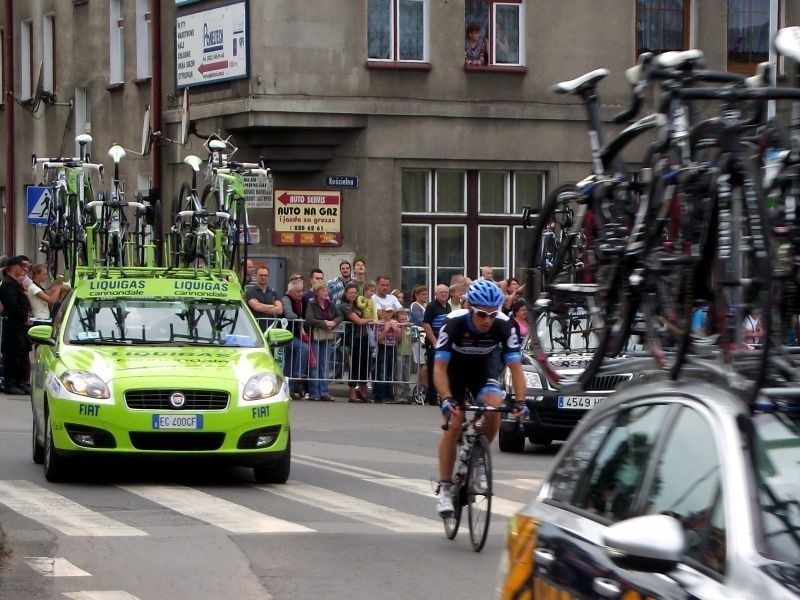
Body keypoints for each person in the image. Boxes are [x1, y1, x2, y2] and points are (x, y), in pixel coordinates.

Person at [434, 279, 527, 517]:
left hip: (485, 368)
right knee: (454, 422)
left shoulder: (505, 325)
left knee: (495, 408)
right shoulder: (452, 323)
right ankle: (445, 487)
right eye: (482, 315)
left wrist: (520, 402)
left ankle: (478, 460)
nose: (487, 320)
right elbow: (440, 368)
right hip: (455, 371)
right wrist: (446, 398)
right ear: (469, 307)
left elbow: (516, 368)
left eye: (492, 315)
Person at [0, 256, 33, 395]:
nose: (24, 269)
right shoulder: (8, 284)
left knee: (22, 354)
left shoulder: (16, 282)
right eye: (22, 266)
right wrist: (22, 316)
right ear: (13, 267)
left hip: (20, 325)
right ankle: (10, 383)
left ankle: (21, 382)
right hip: (13, 326)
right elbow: (12, 304)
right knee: (13, 355)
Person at [305, 281, 341, 401]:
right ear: (317, 292)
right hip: (316, 335)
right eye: (323, 291)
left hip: (327, 336)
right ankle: (314, 392)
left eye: (326, 291)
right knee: (315, 364)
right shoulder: (311, 304)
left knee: (325, 364)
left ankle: (324, 392)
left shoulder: (330, 303)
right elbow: (309, 318)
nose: (326, 293)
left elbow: (340, 315)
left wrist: (334, 322)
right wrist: (324, 323)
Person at [280, 274, 311, 399]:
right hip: (285, 334)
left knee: (290, 361)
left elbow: (307, 314)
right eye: (298, 291)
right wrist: (300, 319)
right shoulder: (286, 299)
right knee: (303, 348)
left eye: (302, 291)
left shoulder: (302, 301)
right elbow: (289, 314)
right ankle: (299, 373)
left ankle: (289, 389)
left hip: (296, 333)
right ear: (291, 291)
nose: (300, 294)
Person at [340, 282, 372, 402]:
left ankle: (363, 392)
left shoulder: (358, 305)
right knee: (355, 365)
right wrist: (372, 319)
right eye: (350, 293)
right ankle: (352, 393)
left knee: (366, 364)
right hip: (353, 338)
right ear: (345, 293)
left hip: (364, 336)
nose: (353, 295)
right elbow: (358, 321)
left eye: (355, 292)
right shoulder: (344, 306)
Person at [422, 284, 451, 405]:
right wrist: (434, 341)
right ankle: (432, 397)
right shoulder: (432, 306)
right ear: (436, 294)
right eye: (441, 292)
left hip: (443, 339)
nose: (444, 294)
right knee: (433, 368)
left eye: (445, 292)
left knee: (443, 368)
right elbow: (426, 324)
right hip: (434, 339)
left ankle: (440, 395)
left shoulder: (448, 306)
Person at [374, 306, 402, 402]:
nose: (388, 314)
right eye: (386, 312)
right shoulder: (379, 323)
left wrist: (395, 329)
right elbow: (379, 339)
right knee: (382, 372)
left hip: (393, 347)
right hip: (383, 347)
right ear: (382, 313)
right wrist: (385, 329)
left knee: (390, 372)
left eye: (390, 312)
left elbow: (399, 339)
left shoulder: (395, 323)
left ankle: (389, 395)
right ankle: (380, 395)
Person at [246, 266, 283, 330]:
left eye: (265, 275)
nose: (263, 277)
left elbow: (280, 310)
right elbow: (256, 307)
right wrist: (272, 306)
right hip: (255, 329)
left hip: (271, 329)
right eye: (261, 275)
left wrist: (260, 306)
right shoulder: (250, 291)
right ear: (255, 276)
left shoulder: (273, 292)